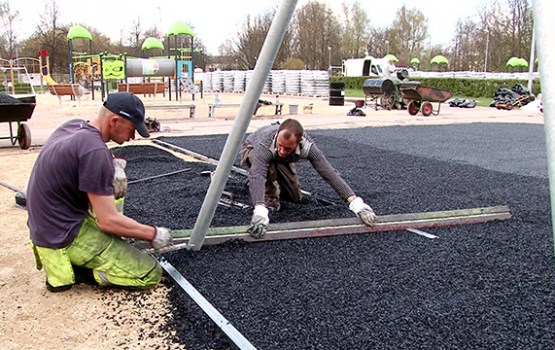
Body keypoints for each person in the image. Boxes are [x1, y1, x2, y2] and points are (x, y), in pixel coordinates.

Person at [26, 92, 173, 293]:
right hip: (63, 234)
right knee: (149, 273)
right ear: (114, 121)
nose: (132, 137)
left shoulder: (74, 126)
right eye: (131, 130)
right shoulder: (95, 152)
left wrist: (109, 165)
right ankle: (79, 272)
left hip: (47, 223)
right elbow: (107, 221)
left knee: (113, 188)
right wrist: (153, 234)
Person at [239, 118, 376, 238]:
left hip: (280, 160)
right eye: (280, 146)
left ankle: (271, 176)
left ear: (299, 142)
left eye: (287, 148)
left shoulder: (308, 146)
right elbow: (258, 174)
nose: (282, 151)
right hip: (252, 149)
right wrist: (260, 209)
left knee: (294, 197)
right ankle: (263, 195)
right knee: (268, 190)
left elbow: (328, 172)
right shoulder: (265, 143)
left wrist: (356, 203)